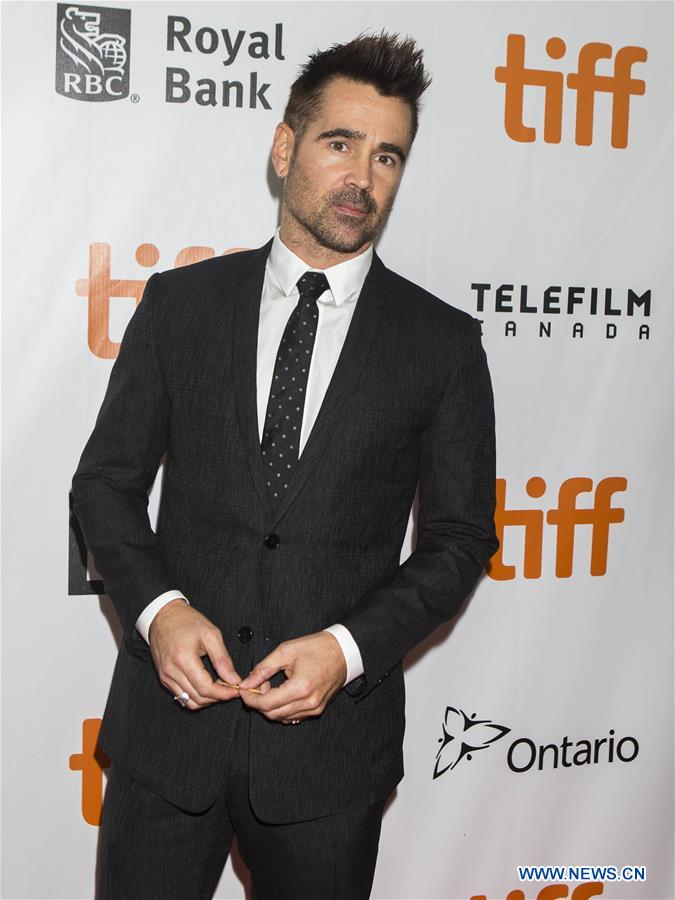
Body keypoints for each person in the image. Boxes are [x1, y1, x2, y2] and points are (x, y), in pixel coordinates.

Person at [72, 31, 498, 900]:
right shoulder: (181, 305)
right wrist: (158, 613)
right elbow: (105, 485)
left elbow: (459, 540)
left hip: (329, 761)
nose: (362, 177)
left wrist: (346, 651)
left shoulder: (442, 344)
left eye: (387, 156)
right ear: (284, 148)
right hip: (167, 742)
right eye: (340, 143)